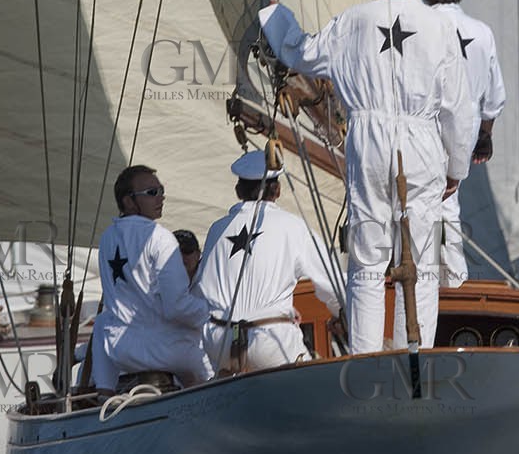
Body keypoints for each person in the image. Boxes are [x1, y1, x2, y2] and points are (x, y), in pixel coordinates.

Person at [259, 0, 475, 352]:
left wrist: (275, 15)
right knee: (423, 261)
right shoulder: (441, 28)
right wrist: (456, 169)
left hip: (368, 140)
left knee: (368, 260)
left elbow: (301, 53)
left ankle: (365, 356)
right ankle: (415, 351)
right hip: (421, 141)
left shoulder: (352, 21)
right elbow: (458, 110)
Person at [195, 149, 341, 376]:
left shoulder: (217, 229)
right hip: (269, 339)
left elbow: (201, 290)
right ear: (278, 190)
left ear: (238, 190)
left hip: (220, 341)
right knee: (310, 384)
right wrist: (340, 314)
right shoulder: (293, 226)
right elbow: (331, 284)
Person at [420, 0, 506, 289]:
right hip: (466, 133)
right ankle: (452, 285)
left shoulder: (421, 28)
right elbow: (495, 98)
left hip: (427, 129)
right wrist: (485, 137)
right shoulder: (482, 32)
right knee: (447, 207)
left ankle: (436, 287)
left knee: (431, 206)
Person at [88, 166, 209, 390]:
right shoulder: (160, 238)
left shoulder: (107, 238)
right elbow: (176, 307)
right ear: (128, 202)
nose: (161, 197)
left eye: (161, 190)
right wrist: (210, 314)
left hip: (120, 350)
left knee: (104, 321)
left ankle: (105, 394)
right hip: (163, 350)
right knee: (211, 368)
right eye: (152, 193)